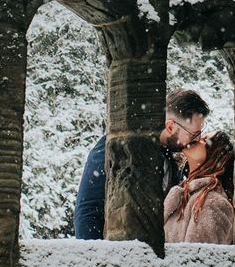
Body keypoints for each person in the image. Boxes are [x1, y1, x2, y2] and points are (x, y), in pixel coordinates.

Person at [73, 89, 210, 239]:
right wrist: (97, 256)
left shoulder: (171, 159)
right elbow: (88, 209)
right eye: (194, 134)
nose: (198, 139)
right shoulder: (115, 146)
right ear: (170, 126)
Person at [163, 131, 235, 244]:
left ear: (215, 155)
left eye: (204, 140)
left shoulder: (212, 203)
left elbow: (195, 260)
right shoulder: (183, 194)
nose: (196, 139)